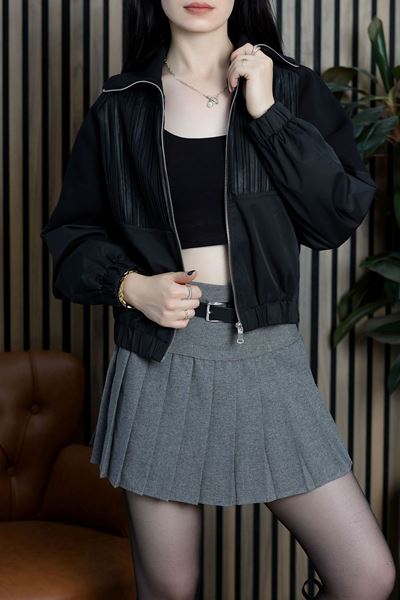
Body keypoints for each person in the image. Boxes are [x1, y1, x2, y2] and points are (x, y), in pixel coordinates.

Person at [41, 1, 396, 598]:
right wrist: (131, 287)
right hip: (162, 359)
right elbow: (70, 239)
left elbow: (333, 218)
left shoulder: (290, 88)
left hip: (265, 354)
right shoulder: (121, 106)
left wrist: (268, 113)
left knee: (366, 576)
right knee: (171, 587)